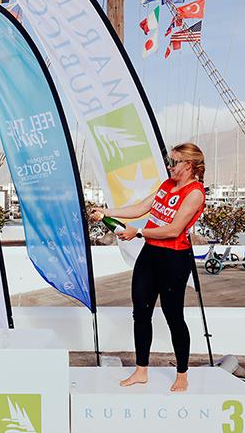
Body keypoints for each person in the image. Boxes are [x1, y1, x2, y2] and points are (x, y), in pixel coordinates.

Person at [90, 143, 206, 392]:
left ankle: (182, 373)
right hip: (150, 254)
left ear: (189, 165)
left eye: (174, 162)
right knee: (141, 312)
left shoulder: (194, 193)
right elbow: (141, 207)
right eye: (169, 161)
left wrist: (139, 232)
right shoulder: (167, 186)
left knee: (173, 316)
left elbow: (174, 229)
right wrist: (107, 211)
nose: (169, 166)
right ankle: (141, 370)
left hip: (174, 258)